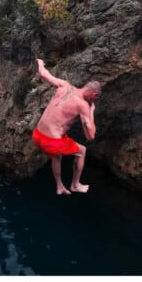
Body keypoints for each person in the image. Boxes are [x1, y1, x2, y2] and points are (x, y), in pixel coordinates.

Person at [32, 58, 101, 195]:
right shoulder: (84, 106)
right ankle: (75, 184)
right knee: (82, 151)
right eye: (95, 99)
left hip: (37, 135)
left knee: (57, 155)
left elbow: (43, 74)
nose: (93, 101)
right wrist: (92, 112)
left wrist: (40, 63)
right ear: (94, 95)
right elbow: (90, 136)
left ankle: (59, 186)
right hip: (51, 142)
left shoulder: (64, 85)